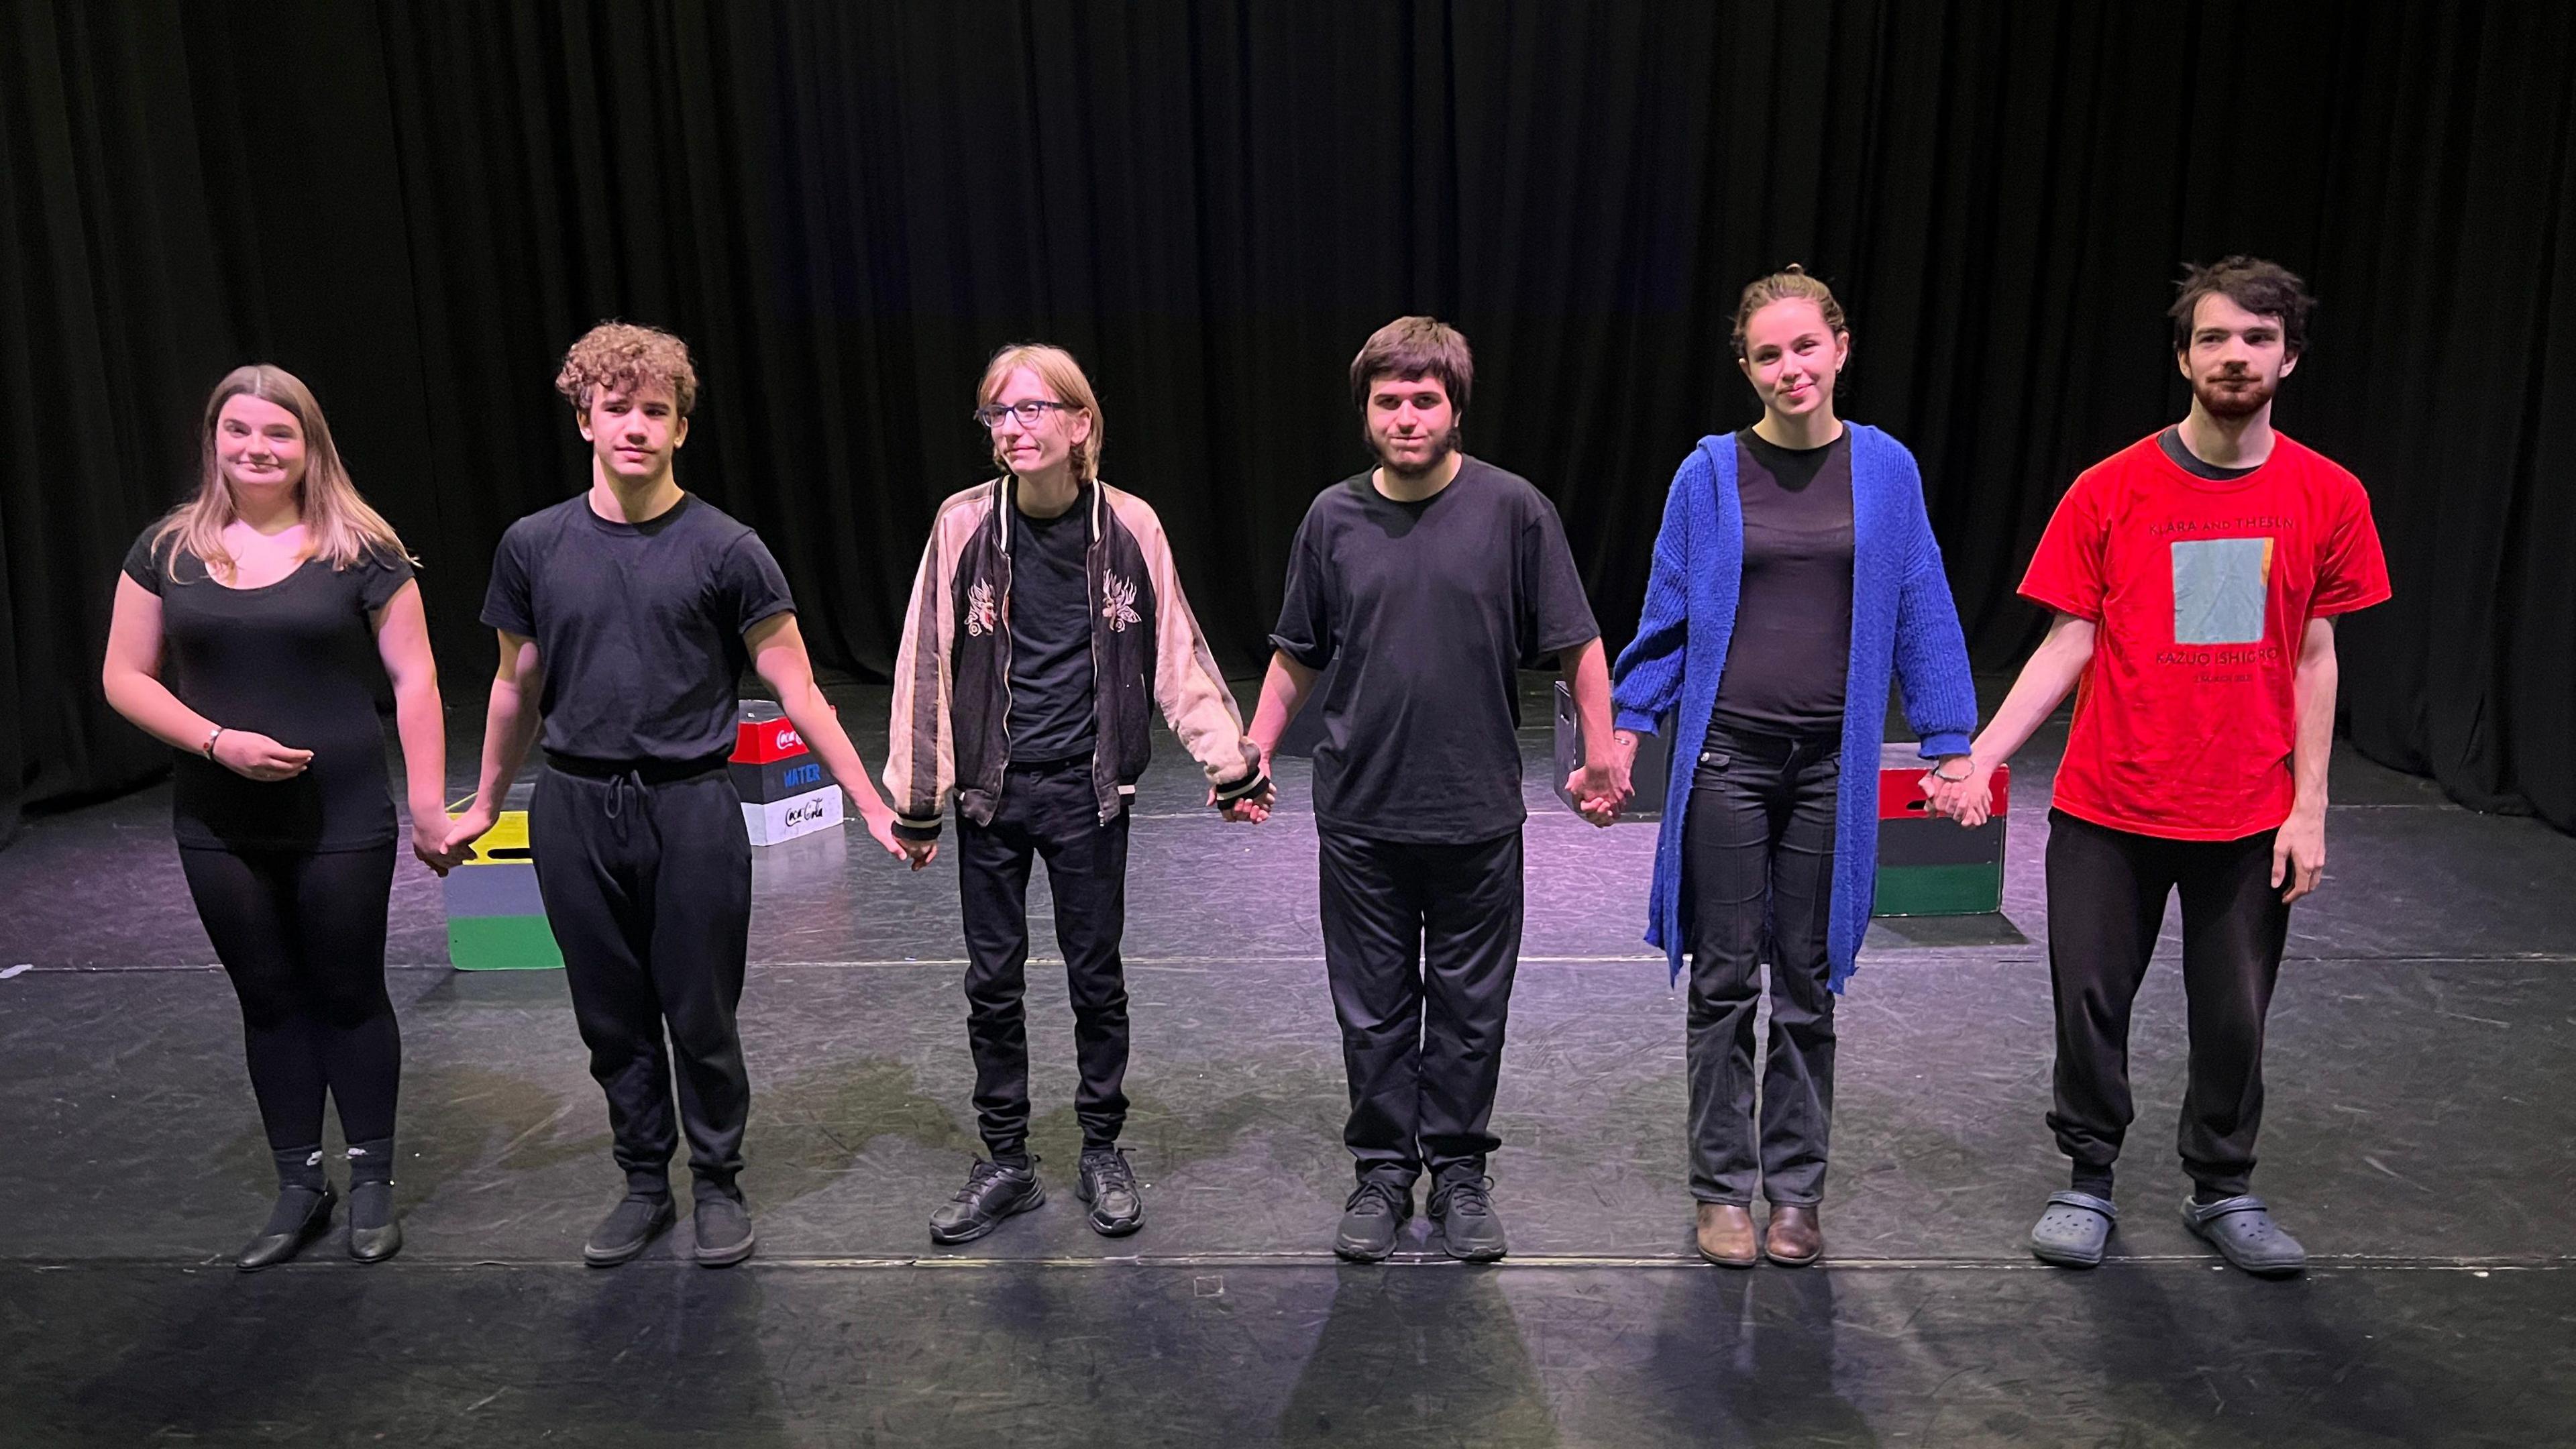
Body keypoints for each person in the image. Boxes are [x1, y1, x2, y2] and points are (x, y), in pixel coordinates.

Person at [1931, 257, 2390, 1277]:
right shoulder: (2112, 489)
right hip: (2110, 804)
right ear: (2183, 356)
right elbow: (2067, 640)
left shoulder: (2328, 494)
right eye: (2217, 338)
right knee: (2090, 1000)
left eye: (2258, 339)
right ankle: (2086, 1176)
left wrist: (2310, 810)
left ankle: (2222, 1187)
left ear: (2291, 356)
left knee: (2235, 1015)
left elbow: (2318, 659)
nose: (2236, 355)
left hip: (2249, 809)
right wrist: (1980, 760)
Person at [443, 323, 910, 1269]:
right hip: (572, 809)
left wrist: (868, 799)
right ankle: (644, 1182)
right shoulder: (534, 545)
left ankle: (720, 1180)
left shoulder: (728, 549)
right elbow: (514, 684)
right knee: (609, 1015)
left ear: (681, 430)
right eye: (618, 409)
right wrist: (486, 800)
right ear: (585, 418)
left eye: (656, 411)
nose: (636, 428)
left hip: (690, 807)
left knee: (700, 1011)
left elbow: (798, 687)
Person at [1609, 266, 1980, 1269]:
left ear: (1840, 347)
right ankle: (1723, 1188)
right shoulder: (1709, 473)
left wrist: (1952, 742)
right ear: (1746, 365)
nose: (1790, 368)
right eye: (1768, 354)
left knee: (1809, 983)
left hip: (1832, 767)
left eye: (1805, 347)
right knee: (1726, 979)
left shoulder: (1887, 470)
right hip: (1727, 758)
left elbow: (1921, 601)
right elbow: (1670, 607)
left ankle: (1797, 1191)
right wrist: (1628, 728)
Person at [1245, 317, 1625, 1264]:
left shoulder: (1512, 510)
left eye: (1425, 400)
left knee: (1468, 1007)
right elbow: (1297, 653)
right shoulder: (1332, 519)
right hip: (1363, 815)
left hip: (1476, 811)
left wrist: (1606, 749)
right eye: (1389, 402)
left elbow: (1577, 640)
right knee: (1370, 1008)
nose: (1407, 418)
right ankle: (1382, 1171)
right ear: (1365, 410)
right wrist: (1254, 748)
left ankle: (1458, 1172)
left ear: (1454, 406)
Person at [883, 343, 1273, 1245]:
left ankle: (1102, 1147)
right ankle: (1008, 1160)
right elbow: (925, 660)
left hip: (1089, 795)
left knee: (1096, 980)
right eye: (998, 414)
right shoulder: (962, 524)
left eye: (1029, 411)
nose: (1011, 430)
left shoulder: (1129, 523)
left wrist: (1233, 765)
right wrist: (919, 797)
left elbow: (1175, 652)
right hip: (991, 795)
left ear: (1078, 423)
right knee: (992, 983)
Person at [103, 365, 453, 1271]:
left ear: (309, 447)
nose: (257, 449)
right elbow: (124, 677)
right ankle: (301, 1184)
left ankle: (372, 1177)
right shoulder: (167, 551)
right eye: (239, 431)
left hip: (339, 813)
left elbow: (416, 678)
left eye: (278, 434)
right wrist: (218, 743)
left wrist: (427, 804)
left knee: (346, 992)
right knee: (267, 1001)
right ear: (214, 440)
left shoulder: (361, 549)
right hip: (220, 820)